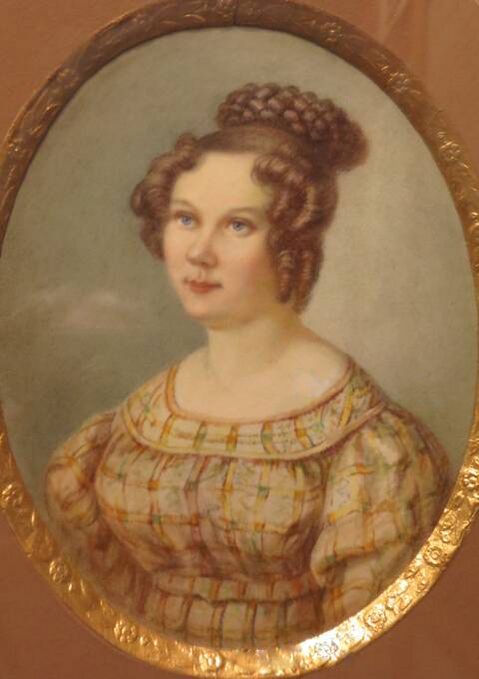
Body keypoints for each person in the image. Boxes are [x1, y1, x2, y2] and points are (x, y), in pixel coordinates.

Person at [44, 83, 450, 648]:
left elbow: (370, 645)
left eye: (237, 225)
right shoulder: (129, 425)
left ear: (291, 244)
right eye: (186, 218)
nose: (199, 251)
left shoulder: (370, 445)